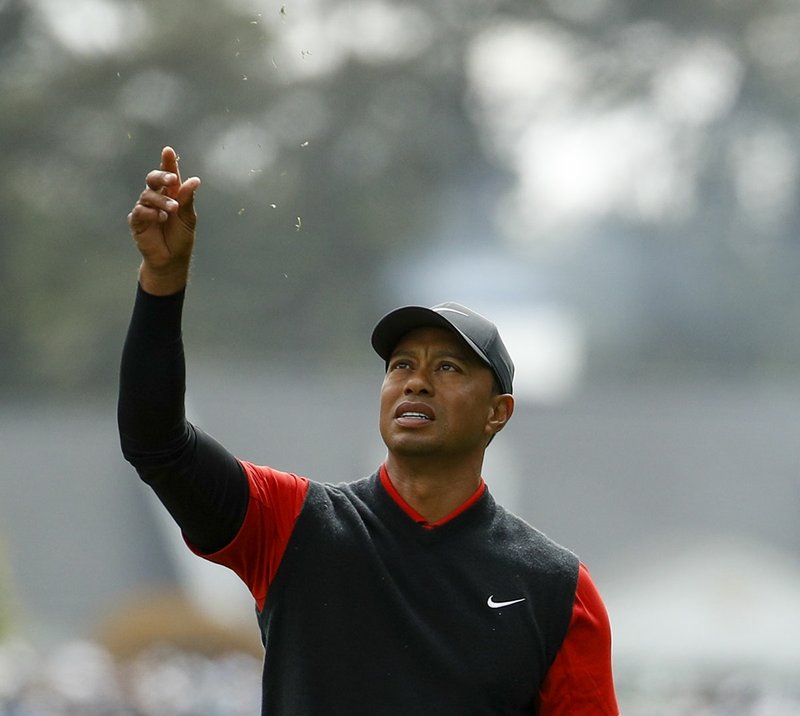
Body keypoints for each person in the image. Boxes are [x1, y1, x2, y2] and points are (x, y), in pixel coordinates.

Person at [119, 146, 619, 715]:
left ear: (497, 413)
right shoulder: (295, 525)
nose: (416, 382)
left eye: (448, 367)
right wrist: (163, 280)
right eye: (401, 365)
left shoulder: (558, 589)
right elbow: (155, 443)